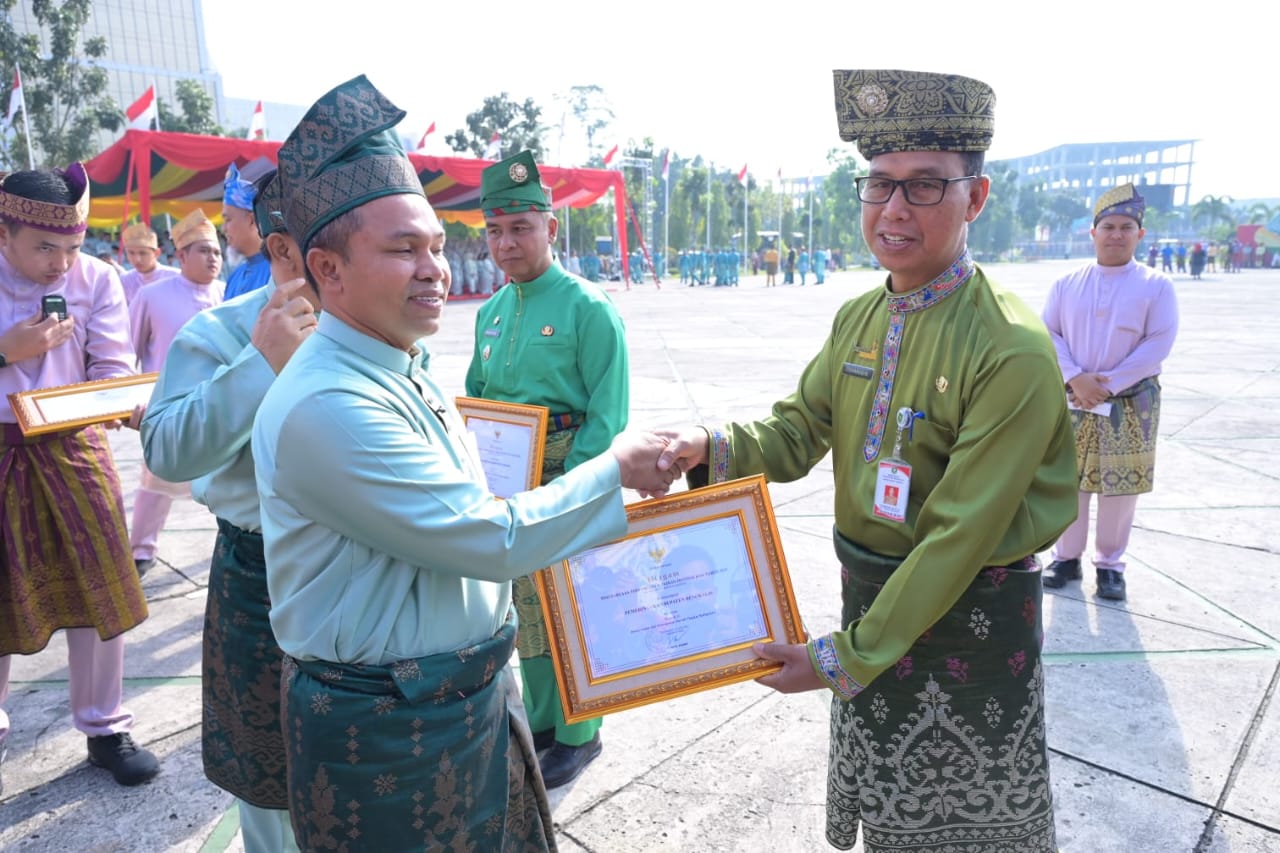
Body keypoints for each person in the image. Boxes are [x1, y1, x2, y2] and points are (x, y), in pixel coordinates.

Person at [655, 68, 1078, 852]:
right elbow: (793, 431)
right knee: (891, 823)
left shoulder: (1009, 347)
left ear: (975, 197)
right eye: (879, 184)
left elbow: (958, 535)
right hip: (874, 605)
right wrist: (706, 446)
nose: (893, 210)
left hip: (970, 628)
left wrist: (836, 660)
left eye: (924, 187)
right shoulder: (861, 314)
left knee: (972, 826)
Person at [250, 75, 675, 851]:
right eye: (403, 248)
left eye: (439, 246)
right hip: (387, 732)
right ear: (329, 269)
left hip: (461, 703)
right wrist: (615, 467)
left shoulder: (398, 364)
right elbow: (492, 537)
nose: (436, 269)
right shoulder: (328, 403)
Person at [139, 170, 313, 852]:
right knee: (268, 769)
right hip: (260, 570)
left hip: (359, 571)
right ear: (285, 252)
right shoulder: (222, 332)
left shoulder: (375, 327)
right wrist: (259, 362)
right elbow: (167, 447)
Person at [465, 149, 630, 789]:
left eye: (521, 227)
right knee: (524, 611)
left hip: (566, 481)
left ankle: (581, 734)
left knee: (572, 610)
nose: (507, 243)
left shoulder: (588, 307)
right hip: (508, 483)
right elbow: (476, 400)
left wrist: (572, 489)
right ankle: (542, 721)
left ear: (550, 227)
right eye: (496, 230)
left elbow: (607, 412)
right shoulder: (491, 312)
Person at [0, 163, 160, 792]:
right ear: (3, 233)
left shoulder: (98, 278)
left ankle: (103, 727)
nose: (61, 263)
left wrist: (125, 402)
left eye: (71, 246)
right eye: (44, 247)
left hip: (74, 449)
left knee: (100, 592)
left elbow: (113, 366)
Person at [1041, 184, 1179, 602]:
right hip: (1072, 398)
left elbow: (1159, 341)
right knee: (1070, 480)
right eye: (1108, 227)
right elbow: (1047, 332)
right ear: (1093, 233)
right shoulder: (1067, 283)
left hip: (1130, 402)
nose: (1116, 234)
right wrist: (1075, 377)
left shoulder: (1156, 285)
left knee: (1121, 487)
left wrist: (1109, 384)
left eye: (1126, 227)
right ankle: (1066, 558)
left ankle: (1110, 565)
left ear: (1140, 234)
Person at [127, 209, 225, 576]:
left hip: (219, 404)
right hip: (169, 404)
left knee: (228, 480)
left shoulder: (228, 293)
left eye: (215, 251)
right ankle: (141, 549)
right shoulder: (153, 296)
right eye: (203, 251)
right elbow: (129, 350)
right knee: (156, 477)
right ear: (181, 256)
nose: (212, 258)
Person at [221, 164, 271, 300]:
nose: (224, 228)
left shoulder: (278, 272)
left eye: (228, 220)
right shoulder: (235, 276)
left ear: (251, 220)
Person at [118, 222, 177, 304]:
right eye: (131, 253)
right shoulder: (125, 279)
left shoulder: (175, 277)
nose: (137, 259)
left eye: (143, 253)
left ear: (157, 253)